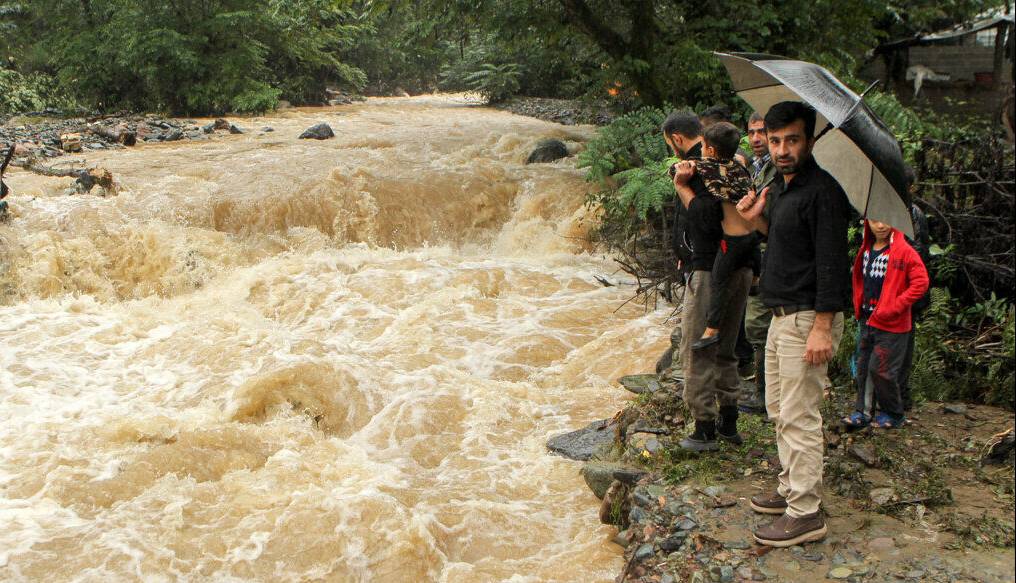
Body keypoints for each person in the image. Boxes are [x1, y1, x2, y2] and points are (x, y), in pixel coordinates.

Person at [736, 101, 851, 547]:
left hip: (807, 317)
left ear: (810, 140)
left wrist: (824, 325)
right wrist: (756, 220)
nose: (782, 149)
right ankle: (789, 489)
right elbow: (786, 242)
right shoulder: (782, 188)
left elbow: (830, 264)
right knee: (779, 409)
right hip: (781, 314)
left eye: (792, 140)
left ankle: (805, 512)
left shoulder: (823, 192)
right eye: (776, 139)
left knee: (800, 415)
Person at [670, 117, 750, 452]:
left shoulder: (701, 175)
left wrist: (681, 186)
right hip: (742, 266)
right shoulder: (741, 173)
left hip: (709, 270)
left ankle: (704, 428)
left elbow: (705, 218)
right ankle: (729, 421)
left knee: (698, 347)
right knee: (727, 347)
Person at [843, 218, 929, 430]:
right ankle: (863, 412)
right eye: (875, 220)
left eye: (886, 221)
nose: (880, 226)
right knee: (863, 367)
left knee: (881, 369)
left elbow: (921, 282)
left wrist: (897, 305)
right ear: (866, 222)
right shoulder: (866, 249)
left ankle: (893, 412)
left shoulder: (903, 251)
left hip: (892, 324)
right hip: (868, 319)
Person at [686, 122, 760, 352]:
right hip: (752, 237)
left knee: (719, 280)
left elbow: (675, 171)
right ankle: (756, 280)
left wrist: (684, 171)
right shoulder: (741, 169)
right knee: (753, 266)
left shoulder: (707, 167)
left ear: (710, 150)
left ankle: (712, 329)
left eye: (702, 147)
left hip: (733, 241)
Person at [739, 112, 776, 414]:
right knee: (755, 326)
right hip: (755, 254)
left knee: (759, 325)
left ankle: (764, 395)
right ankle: (763, 391)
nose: (755, 139)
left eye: (762, 132)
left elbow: (771, 224)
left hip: (769, 257)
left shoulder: (776, 172)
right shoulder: (755, 168)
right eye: (751, 132)